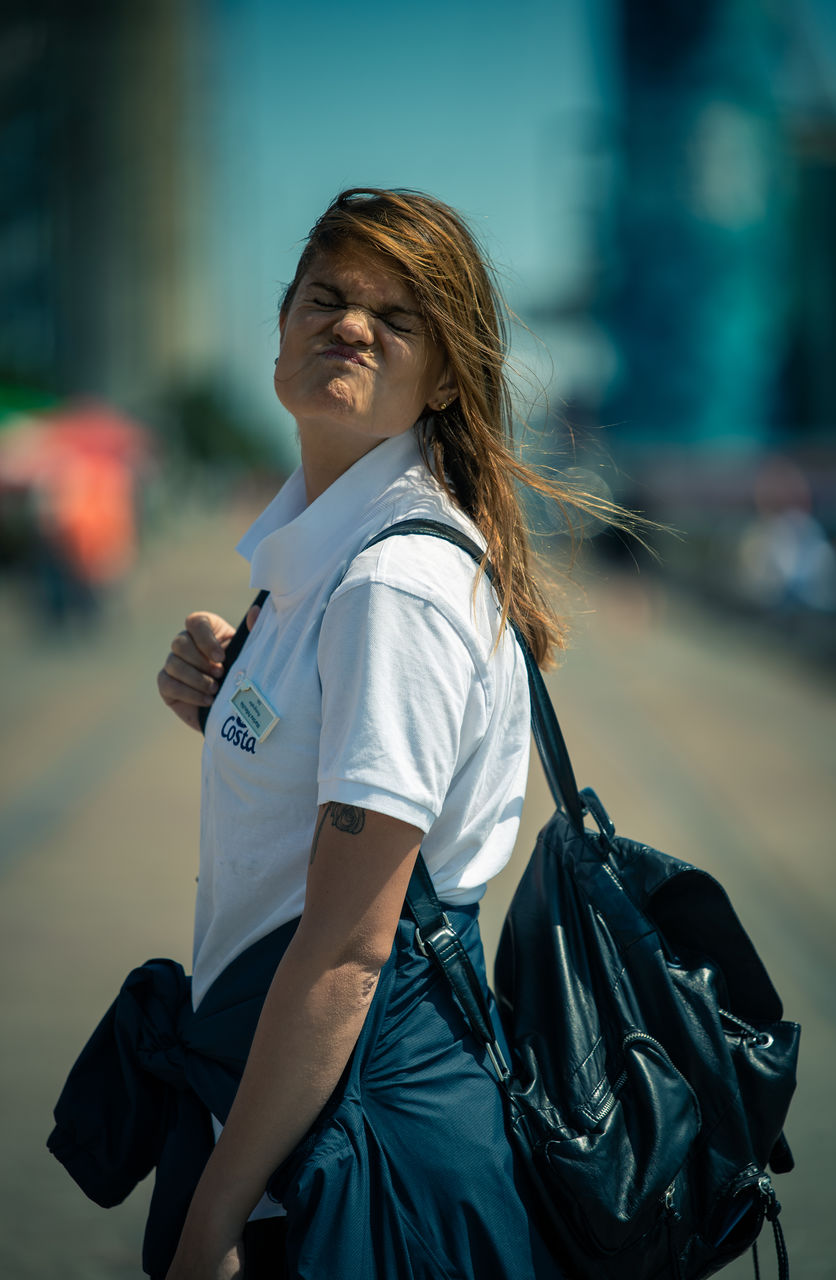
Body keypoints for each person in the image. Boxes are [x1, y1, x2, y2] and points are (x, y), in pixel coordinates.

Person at [152, 189, 607, 1278]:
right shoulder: (322, 562)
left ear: (445, 378)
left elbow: (351, 943)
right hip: (315, 1104)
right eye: (326, 296)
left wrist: (213, 1213)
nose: (348, 324)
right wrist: (229, 703)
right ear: (279, 327)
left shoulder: (390, 585)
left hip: (357, 1141)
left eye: (395, 317)